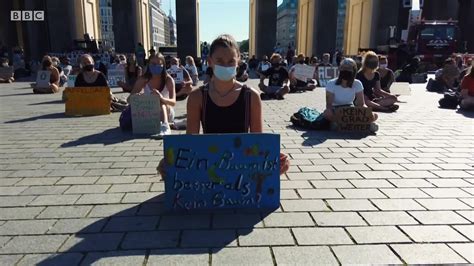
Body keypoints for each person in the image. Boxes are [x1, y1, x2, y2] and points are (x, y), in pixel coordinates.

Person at [158, 34, 289, 178]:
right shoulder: (197, 97)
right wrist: (173, 161)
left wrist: (273, 160)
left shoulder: (251, 96)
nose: (225, 66)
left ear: (238, 62)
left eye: (231, 61)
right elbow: (191, 142)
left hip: (242, 170)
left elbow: (257, 142)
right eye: (220, 61)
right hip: (208, 169)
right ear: (209, 61)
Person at [131, 53, 175, 137]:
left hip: (166, 111)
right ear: (149, 64)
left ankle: (165, 126)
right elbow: (129, 100)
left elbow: (173, 102)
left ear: (163, 65)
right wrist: (137, 97)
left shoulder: (168, 79)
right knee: (155, 100)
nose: (156, 66)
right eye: (153, 64)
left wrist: (162, 98)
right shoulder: (143, 79)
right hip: (149, 113)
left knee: (159, 101)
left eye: (159, 64)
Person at [323, 58, 378, 123]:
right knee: (327, 113)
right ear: (340, 69)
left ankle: (344, 123)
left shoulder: (357, 83)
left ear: (354, 71)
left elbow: (361, 103)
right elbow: (329, 105)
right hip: (336, 109)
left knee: (374, 115)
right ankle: (340, 123)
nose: (346, 70)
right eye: (344, 68)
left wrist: (367, 111)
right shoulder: (331, 83)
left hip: (350, 109)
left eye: (349, 68)